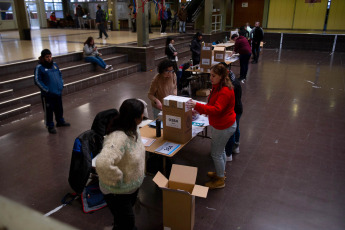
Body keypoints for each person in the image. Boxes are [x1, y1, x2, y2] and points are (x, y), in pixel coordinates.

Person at [96, 98, 146, 230]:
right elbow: (102, 163)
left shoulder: (133, 129)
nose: (144, 115)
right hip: (117, 192)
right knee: (128, 224)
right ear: (134, 117)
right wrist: (117, 178)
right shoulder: (118, 138)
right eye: (141, 113)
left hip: (130, 188)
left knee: (121, 221)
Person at [186, 64, 236, 189]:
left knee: (216, 154)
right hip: (222, 124)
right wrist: (199, 110)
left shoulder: (224, 90)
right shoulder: (218, 86)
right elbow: (211, 104)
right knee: (221, 151)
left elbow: (216, 110)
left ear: (221, 76)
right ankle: (220, 173)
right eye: (210, 75)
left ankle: (220, 180)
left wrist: (196, 106)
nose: (210, 78)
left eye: (213, 76)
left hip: (223, 126)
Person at [34, 49, 70, 134]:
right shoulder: (39, 67)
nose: (49, 58)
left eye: (50, 56)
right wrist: (46, 90)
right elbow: (37, 80)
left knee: (59, 109)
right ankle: (50, 126)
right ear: (43, 58)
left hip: (57, 92)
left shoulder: (55, 65)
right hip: (48, 95)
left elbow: (60, 75)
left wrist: (61, 84)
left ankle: (60, 122)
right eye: (47, 57)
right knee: (49, 111)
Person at [220, 63, 243, 162]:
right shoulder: (232, 79)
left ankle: (229, 152)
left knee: (232, 131)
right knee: (235, 128)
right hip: (236, 108)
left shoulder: (232, 84)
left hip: (235, 109)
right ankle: (235, 147)